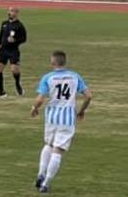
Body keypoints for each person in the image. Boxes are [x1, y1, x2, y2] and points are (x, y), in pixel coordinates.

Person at [30, 51, 93, 194]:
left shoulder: (48, 77)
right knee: (58, 150)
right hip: (67, 120)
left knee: (49, 145)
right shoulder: (75, 76)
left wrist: (34, 108)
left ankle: (41, 173)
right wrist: (82, 110)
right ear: (64, 62)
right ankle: (45, 184)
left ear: (52, 62)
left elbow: (40, 99)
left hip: (51, 118)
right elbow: (89, 96)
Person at [0, 7, 27, 97]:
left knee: (14, 70)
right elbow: (1, 34)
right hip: (3, 50)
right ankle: (1, 91)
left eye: (12, 11)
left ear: (16, 13)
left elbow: (24, 39)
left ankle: (17, 84)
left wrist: (15, 40)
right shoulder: (4, 24)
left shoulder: (19, 26)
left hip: (13, 51)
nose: (9, 12)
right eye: (9, 11)